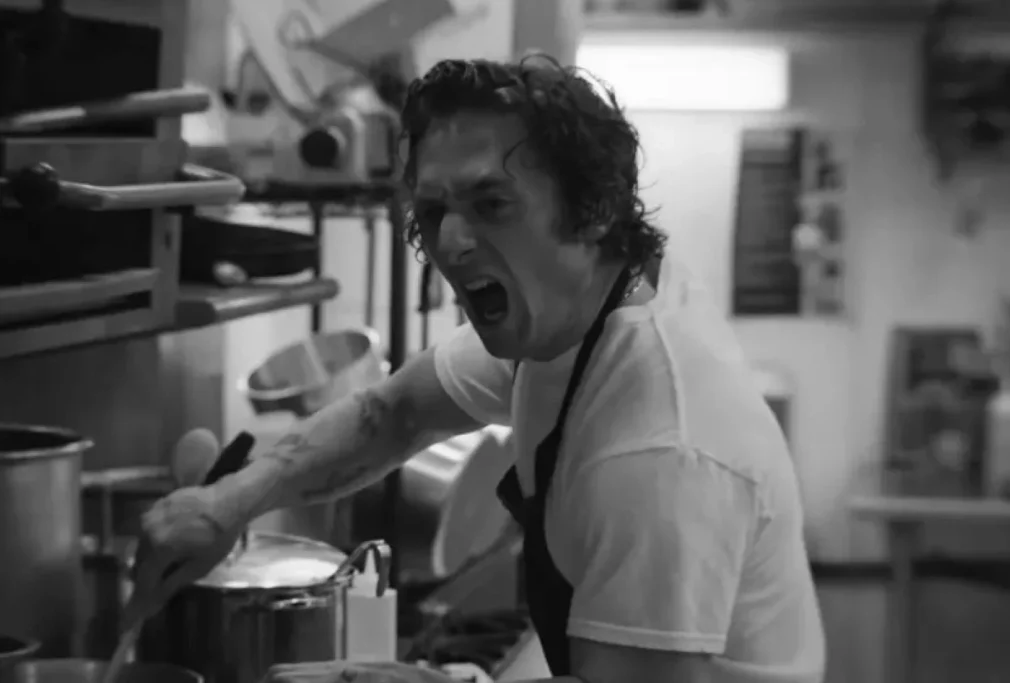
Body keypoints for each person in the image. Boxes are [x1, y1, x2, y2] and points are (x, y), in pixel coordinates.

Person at [130, 56, 826, 683]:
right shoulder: (579, 307)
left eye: (492, 204)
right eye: (434, 211)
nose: (452, 242)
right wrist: (228, 503)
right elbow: (394, 413)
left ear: (592, 210)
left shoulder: (657, 449)